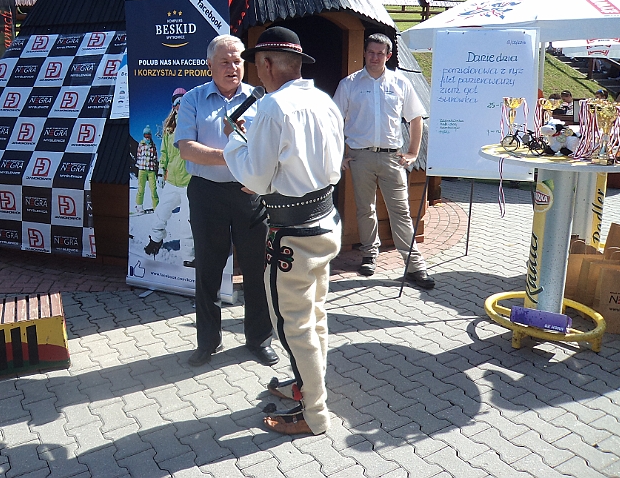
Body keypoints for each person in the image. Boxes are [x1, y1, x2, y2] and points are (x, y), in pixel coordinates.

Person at [223, 26, 344, 436]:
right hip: (325, 222)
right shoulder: (323, 99)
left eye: (258, 65)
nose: (257, 73)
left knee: (293, 324)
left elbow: (256, 178)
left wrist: (235, 142)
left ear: (269, 64)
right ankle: (309, 386)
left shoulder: (273, 107)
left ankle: (314, 413)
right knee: (315, 314)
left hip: (292, 232)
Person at [174, 34, 277, 367]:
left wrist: (252, 165)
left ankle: (259, 339)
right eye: (225, 62)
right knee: (208, 270)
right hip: (207, 194)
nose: (233, 67)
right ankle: (208, 342)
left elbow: (273, 148)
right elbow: (187, 149)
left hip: (250, 194)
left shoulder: (262, 100)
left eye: (237, 61)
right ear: (210, 65)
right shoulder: (192, 100)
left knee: (256, 270)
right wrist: (234, 156)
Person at [333, 32, 434, 289]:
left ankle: (414, 266)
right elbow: (333, 121)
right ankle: (369, 254)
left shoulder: (400, 82)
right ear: (364, 53)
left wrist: (413, 152)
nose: (375, 57)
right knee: (365, 208)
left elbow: (416, 118)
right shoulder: (349, 84)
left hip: (392, 158)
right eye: (371, 52)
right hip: (360, 156)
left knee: (401, 212)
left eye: (380, 53)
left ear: (388, 56)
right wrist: (339, 154)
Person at [144, 88, 195, 266]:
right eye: (176, 102)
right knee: (161, 213)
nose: (179, 105)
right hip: (172, 181)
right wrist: (161, 171)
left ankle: (188, 256)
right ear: (173, 105)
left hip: (189, 181)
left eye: (182, 101)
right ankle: (155, 240)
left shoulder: (194, 123)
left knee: (186, 222)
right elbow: (164, 152)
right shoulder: (169, 128)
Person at [134, 126, 159, 213]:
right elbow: (138, 156)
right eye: (145, 135)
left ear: (150, 135)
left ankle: (156, 207)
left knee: (153, 189)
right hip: (142, 169)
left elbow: (155, 158)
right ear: (143, 135)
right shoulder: (141, 144)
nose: (147, 137)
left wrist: (156, 168)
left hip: (151, 170)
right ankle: (139, 206)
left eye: (148, 135)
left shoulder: (153, 146)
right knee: (141, 188)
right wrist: (139, 166)